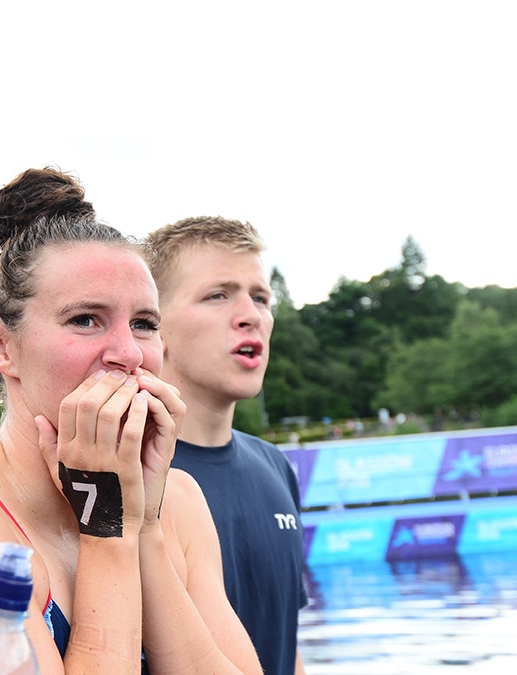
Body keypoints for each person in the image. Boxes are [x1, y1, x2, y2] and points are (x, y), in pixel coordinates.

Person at [0, 168, 263, 674]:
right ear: (1, 348)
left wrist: (143, 525)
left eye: (144, 324)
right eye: (85, 319)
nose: (128, 353)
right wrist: (107, 526)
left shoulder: (181, 501)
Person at [145, 216, 309, 675]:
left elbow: (285, 643)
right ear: (154, 326)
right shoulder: (122, 477)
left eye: (261, 297)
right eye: (218, 295)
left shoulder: (275, 467)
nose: (250, 314)